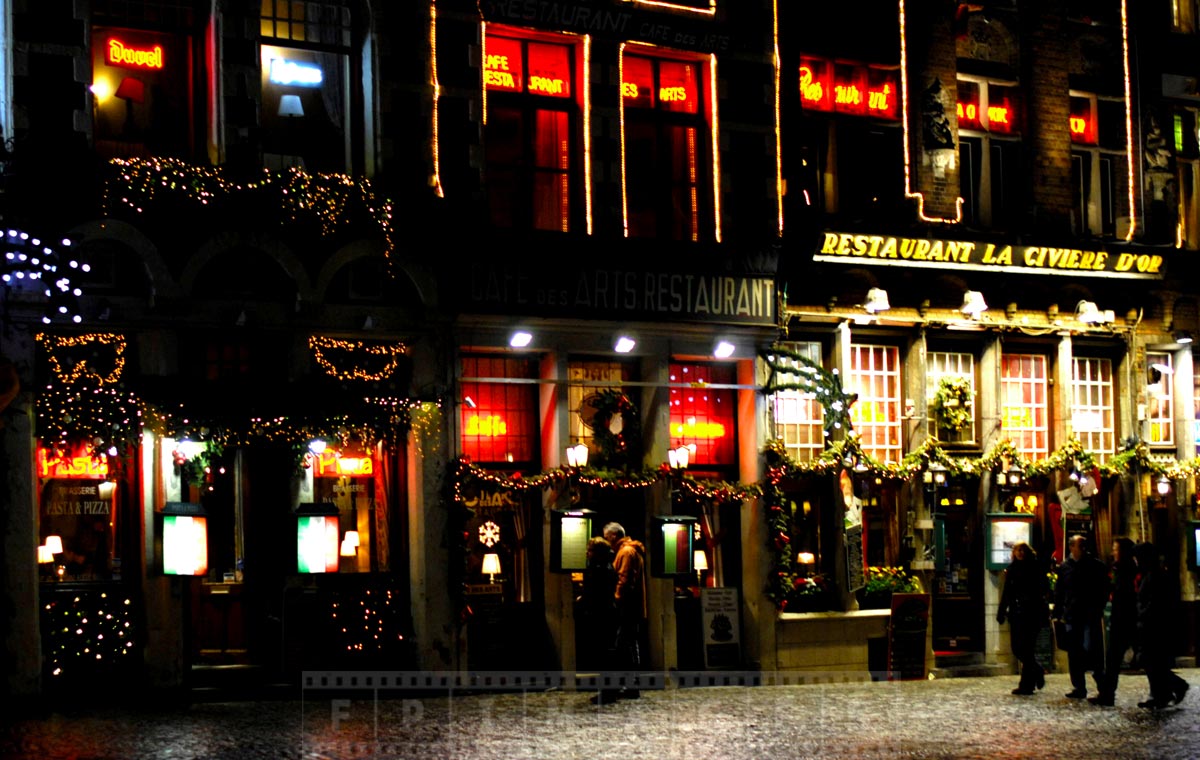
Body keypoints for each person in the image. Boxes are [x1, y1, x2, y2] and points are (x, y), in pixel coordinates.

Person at [1133, 541, 1189, 709]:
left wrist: (1142, 615)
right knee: (1152, 662)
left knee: (1152, 661)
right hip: (1151, 625)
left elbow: (1154, 603)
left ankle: (1175, 686)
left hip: (1154, 627)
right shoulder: (1151, 574)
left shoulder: (1156, 576)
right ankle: (1160, 694)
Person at [1054, 535, 1109, 700]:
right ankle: (1079, 686)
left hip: (1090, 614)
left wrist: (1098, 606)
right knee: (1074, 652)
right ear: (1072, 548)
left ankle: (1102, 686)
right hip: (1073, 615)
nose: (1083, 549)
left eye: (1084, 546)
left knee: (1093, 651)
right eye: (1080, 546)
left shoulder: (1095, 565)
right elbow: (1060, 592)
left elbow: (1104, 588)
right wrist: (1058, 613)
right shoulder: (1065, 567)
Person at [996, 541, 1049, 695]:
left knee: (1027, 648)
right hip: (1016, 613)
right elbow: (1007, 592)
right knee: (1018, 649)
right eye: (1017, 550)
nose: (1019, 553)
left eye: (1022, 550)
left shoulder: (1035, 567)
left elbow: (1043, 588)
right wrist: (1001, 611)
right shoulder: (1012, 569)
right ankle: (1037, 671)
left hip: (1032, 613)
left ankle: (1026, 684)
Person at [1090, 537, 1137, 706]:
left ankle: (1175, 685)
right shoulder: (1118, 569)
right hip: (1121, 617)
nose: (1113, 552)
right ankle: (1107, 694)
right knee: (1113, 659)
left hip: (1126, 618)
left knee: (1143, 657)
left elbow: (1125, 595)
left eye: (1116, 549)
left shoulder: (1128, 570)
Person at [604, 521, 647, 700]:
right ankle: (630, 684)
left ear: (614, 535)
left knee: (626, 645)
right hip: (632, 606)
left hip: (627, 607)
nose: (607, 541)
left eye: (607, 537)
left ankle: (631, 684)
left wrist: (616, 600)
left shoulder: (626, 552)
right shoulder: (631, 550)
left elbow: (624, 579)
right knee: (628, 644)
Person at [577, 537, 617, 672]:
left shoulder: (597, 568)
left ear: (597, 552)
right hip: (608, 609)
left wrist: (583, 598)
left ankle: (606, 685)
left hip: (599, 611)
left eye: (590, 550)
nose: (587, 553)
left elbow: (594, 590)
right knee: (606, 647)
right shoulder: (609, 565)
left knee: (600, 647)